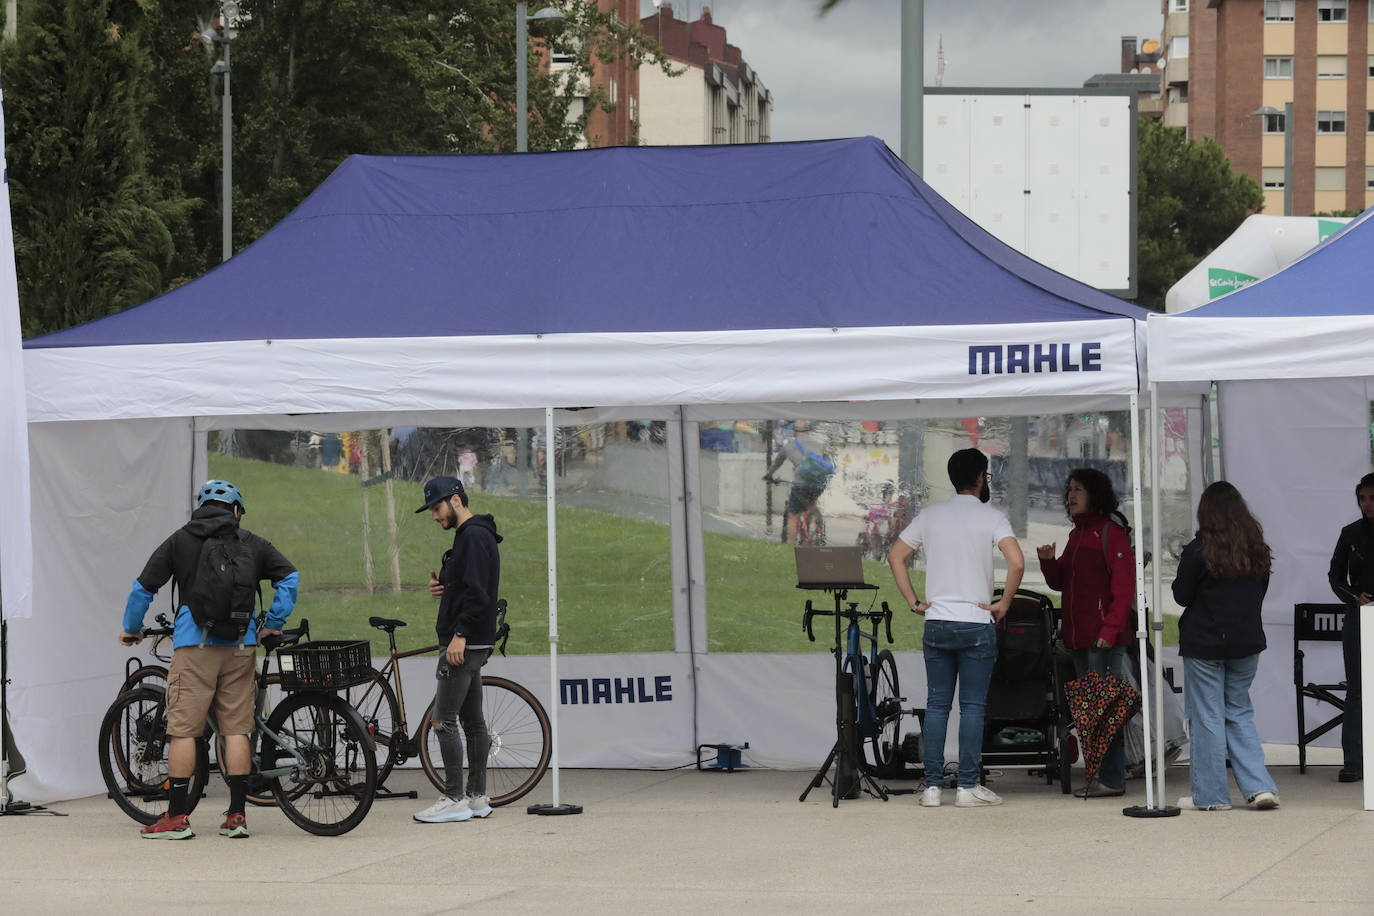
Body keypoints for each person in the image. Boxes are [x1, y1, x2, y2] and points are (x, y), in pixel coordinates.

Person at [118, 480, 299, 839]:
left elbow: (144, 587)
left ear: (200, 507)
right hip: (241, 645)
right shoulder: (253, 543)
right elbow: (289, 578)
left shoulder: (180, 540)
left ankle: (176, 818)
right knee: (236, 730)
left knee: (184, 730)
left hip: (194, 646)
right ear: (235, 510)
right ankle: (236, 816)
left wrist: (131, 627)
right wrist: (272, 623)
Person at [888, 448, 1025, 808]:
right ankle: (967, 786)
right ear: (981, 478)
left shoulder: (930, 515)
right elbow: (1017, 563)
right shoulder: (992, 517)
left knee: (936, 706)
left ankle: (932, 786)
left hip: (937, 621)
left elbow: (895, 556)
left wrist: (914, 602)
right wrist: (1004, 603)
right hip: (976, 621)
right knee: (973, 707)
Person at [1172, 481, 1279, 812]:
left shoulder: (1198, 550)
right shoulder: (1256, 548)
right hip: (1246, 641)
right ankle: (1259, 787)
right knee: (1239, 712)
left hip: (1204, 641)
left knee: (1207, 717)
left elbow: (1181, 595)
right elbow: (1260, 593)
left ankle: (1212, 796)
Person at [1036, 468, 1135, 799]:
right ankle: (1101, 776)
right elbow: (1061, 583)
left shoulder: (1111, 534)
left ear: (1095, 494)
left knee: (1104, 710)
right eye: (1069, 491)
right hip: (1080, 640)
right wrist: (1049, 563)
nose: (1071, 496)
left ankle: (1112, 778)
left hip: (1102, 641)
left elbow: (1124, 590)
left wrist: (1110, 630)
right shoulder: (1077, 535)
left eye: (1078, 489)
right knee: (1091, 711)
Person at [413, 476, 503, 824]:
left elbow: (480, 593)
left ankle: (454, 798)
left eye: (436, 507)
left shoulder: (474, 537)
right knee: (472, 721)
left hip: (464, 642)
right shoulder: (472, 537)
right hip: (473, 639)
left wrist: (460, 634)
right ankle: (477, 797)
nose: (434, 516)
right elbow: (468, 586)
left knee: (442, 720)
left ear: (454, 500)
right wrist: (445, 587)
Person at [1327, 472, 1374, 783]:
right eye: (1362, 498)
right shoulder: (1350, 533)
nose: (1367, 504)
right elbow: (1334, 576)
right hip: (1360, 616)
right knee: (1356, 690)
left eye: (1372, 498)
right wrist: (1354, 597)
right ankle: (1353, 761)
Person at [764, 421, 835, 545]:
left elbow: (776, 464)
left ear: (794, 432)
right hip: (818, 484)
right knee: (810, 504)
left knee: (793, 515)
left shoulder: (788, 447)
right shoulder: (819, 444)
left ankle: (791, 546)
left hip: (800, 485)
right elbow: (829, 461)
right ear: (809, 431)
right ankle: (812, 527)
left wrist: (769, 475)